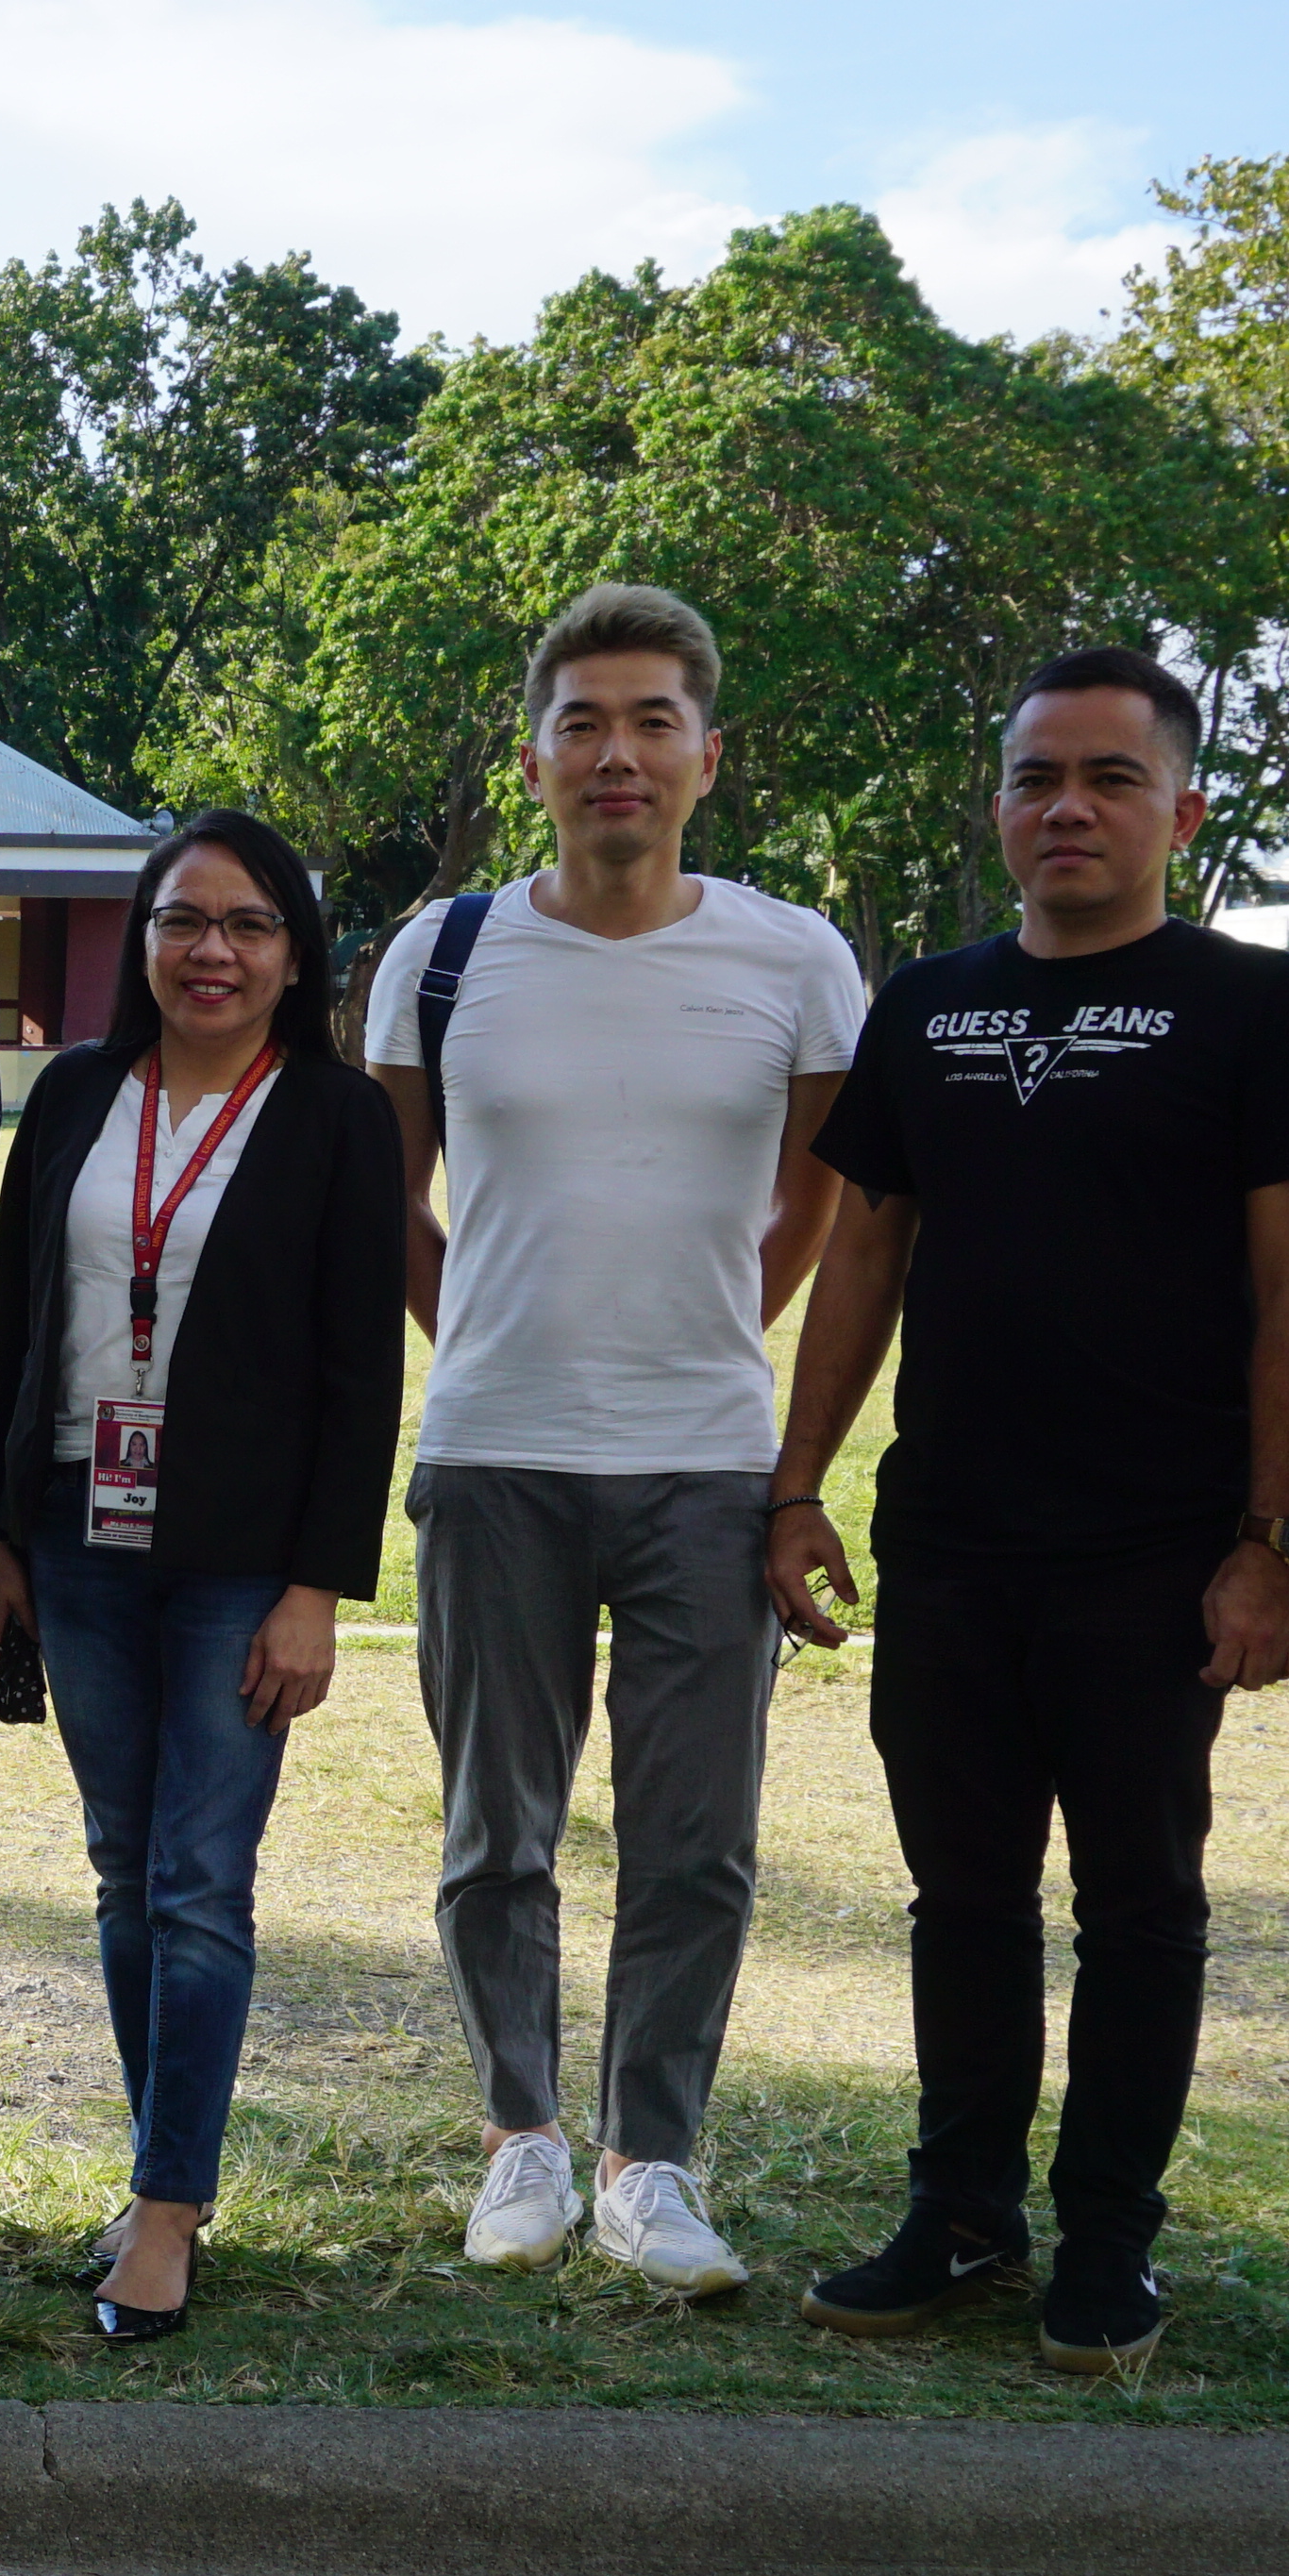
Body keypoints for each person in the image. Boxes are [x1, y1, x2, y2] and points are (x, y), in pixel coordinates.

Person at [762, 653, 1289, 2375]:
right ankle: (958, 2215)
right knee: (963, 1903)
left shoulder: (1258, 1008)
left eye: (1109, 777)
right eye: (1037, 778)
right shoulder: (928, 1005)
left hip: (1157, 1550)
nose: (1068, 808)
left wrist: (1273, 1542)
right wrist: (798, 1486)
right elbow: (863, 1252)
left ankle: (1109, 2241)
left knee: (1142, 1905)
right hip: (949, 1542)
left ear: (1180, 807)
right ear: (1001, 805)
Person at [366, 582, 861, 2301]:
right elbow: (387, 1199)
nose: (618, 753)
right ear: (535, 756)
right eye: (584, 722)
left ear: (706, 758)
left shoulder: (796, 957)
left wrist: (728, 1314)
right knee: (496, 1827)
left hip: (709, 1466)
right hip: (496, 1450)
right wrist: (489, 1334)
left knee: (696, 1840)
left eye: (653, 721)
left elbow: (829, 1194)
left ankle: (655, 2161)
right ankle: (522, 2138)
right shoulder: (440, 951)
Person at [0, 811, 406, 2346]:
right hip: (77, 1534)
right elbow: (15, 1324)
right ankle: (171, 2173)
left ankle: (165, 2210)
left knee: (200, 1881)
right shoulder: (80, 1095)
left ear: (297, 955)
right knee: (120, 1868)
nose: (211, 952)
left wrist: (316, 1589)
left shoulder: (339, 1119)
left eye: (249, 925)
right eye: (181, 921)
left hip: (240, 1560)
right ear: (142, 941)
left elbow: (361, 1378)